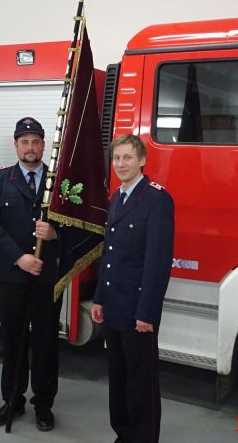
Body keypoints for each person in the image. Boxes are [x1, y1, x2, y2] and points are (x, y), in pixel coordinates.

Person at [91, 134, 175, 443]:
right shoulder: (117, 197)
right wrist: (99, 298)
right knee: (119, 377)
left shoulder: (157, 199)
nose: (121, 164)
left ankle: (144, 438)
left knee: (141, 381)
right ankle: (124, 433)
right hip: (114, 304)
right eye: (117, 158)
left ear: (141, 161)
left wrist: (147, 312)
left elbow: (157, 262)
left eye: (128, 158)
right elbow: (109, 254)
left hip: (137, 309)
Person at [0, 117, 61, 432]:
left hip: (46, 277)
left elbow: (75, 226)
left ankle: (43, 405)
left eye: (36, 141)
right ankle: (12, 400)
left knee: (45, 342)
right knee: (13, 340)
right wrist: (20, 258)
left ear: (43, 145)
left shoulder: (59, 183)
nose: (31, 147)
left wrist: (55, 234)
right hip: (11, 276)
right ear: (16, 145)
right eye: (24, 141)